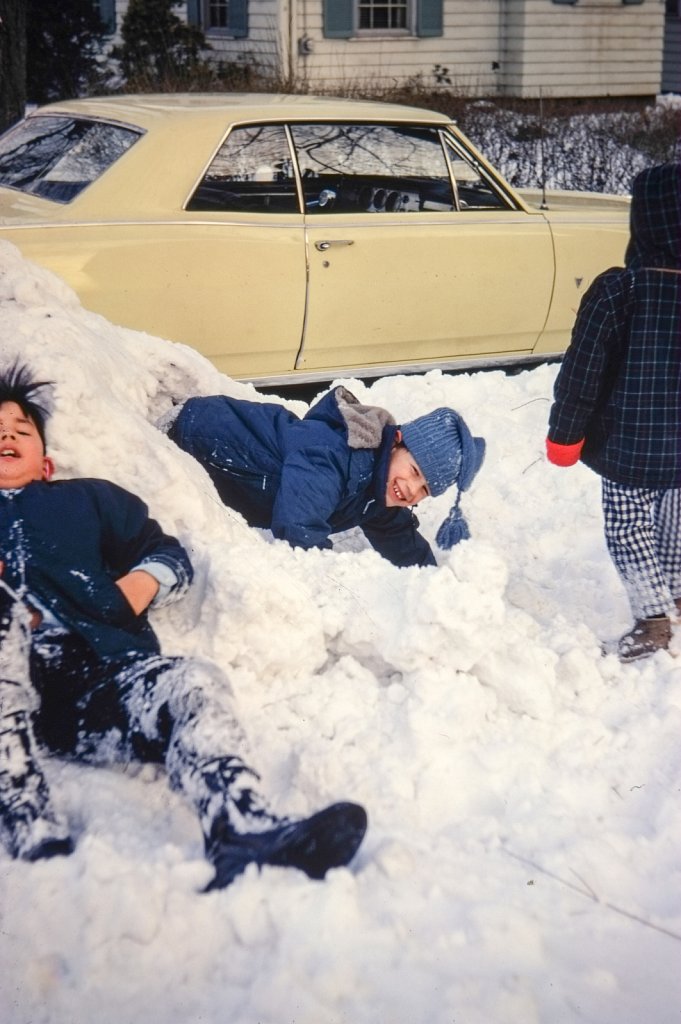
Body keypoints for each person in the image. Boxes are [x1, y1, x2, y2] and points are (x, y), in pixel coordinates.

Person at [0, 363, 367, 886]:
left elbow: (165, 552)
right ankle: (22, 808)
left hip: (92, 680)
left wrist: (142, 583)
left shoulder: (85, 500)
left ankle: (241, 826)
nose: (7, 437)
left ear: (46, 463)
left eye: (20, 431)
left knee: (193, 681)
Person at [546, 162, 681, 662]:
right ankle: (678, 595)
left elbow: (582, 372)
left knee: (628, 526)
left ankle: (653, 620)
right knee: (672, 520)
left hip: (628, 446)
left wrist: (565, 435)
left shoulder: (620, 290)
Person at [163, 385, 485, 567]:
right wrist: (335, 591)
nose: (411, 489)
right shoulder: (332, 456)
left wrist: (429, 582)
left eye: (425, 489)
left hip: (224, 469)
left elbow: (399, 538)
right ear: (397, 442)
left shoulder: (380, 482)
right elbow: (299, 529)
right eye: (415, 472)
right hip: (193, 436)